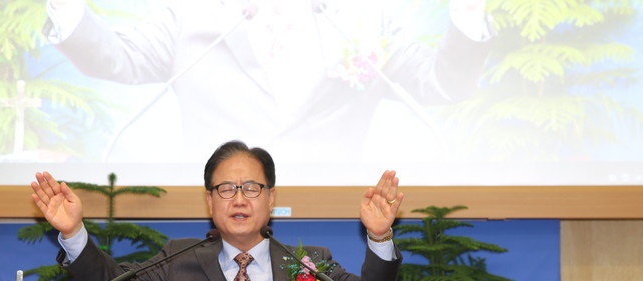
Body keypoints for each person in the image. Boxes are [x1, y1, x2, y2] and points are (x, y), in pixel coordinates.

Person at [29, 140, 403, 281]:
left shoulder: (308, 264)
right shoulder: (179, 261)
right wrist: (74, 232)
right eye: (226, 188)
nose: (238, 199)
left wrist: (381, 236)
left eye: (251, 187)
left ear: (271, 198)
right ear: (210, 201)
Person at [42, 0, 493, 163]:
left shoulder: (362, 18)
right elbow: (115, 60)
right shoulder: (194, 16)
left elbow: (443, 84)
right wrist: (65, 6)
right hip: (214, 235)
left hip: (332, 224)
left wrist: (469, 12)